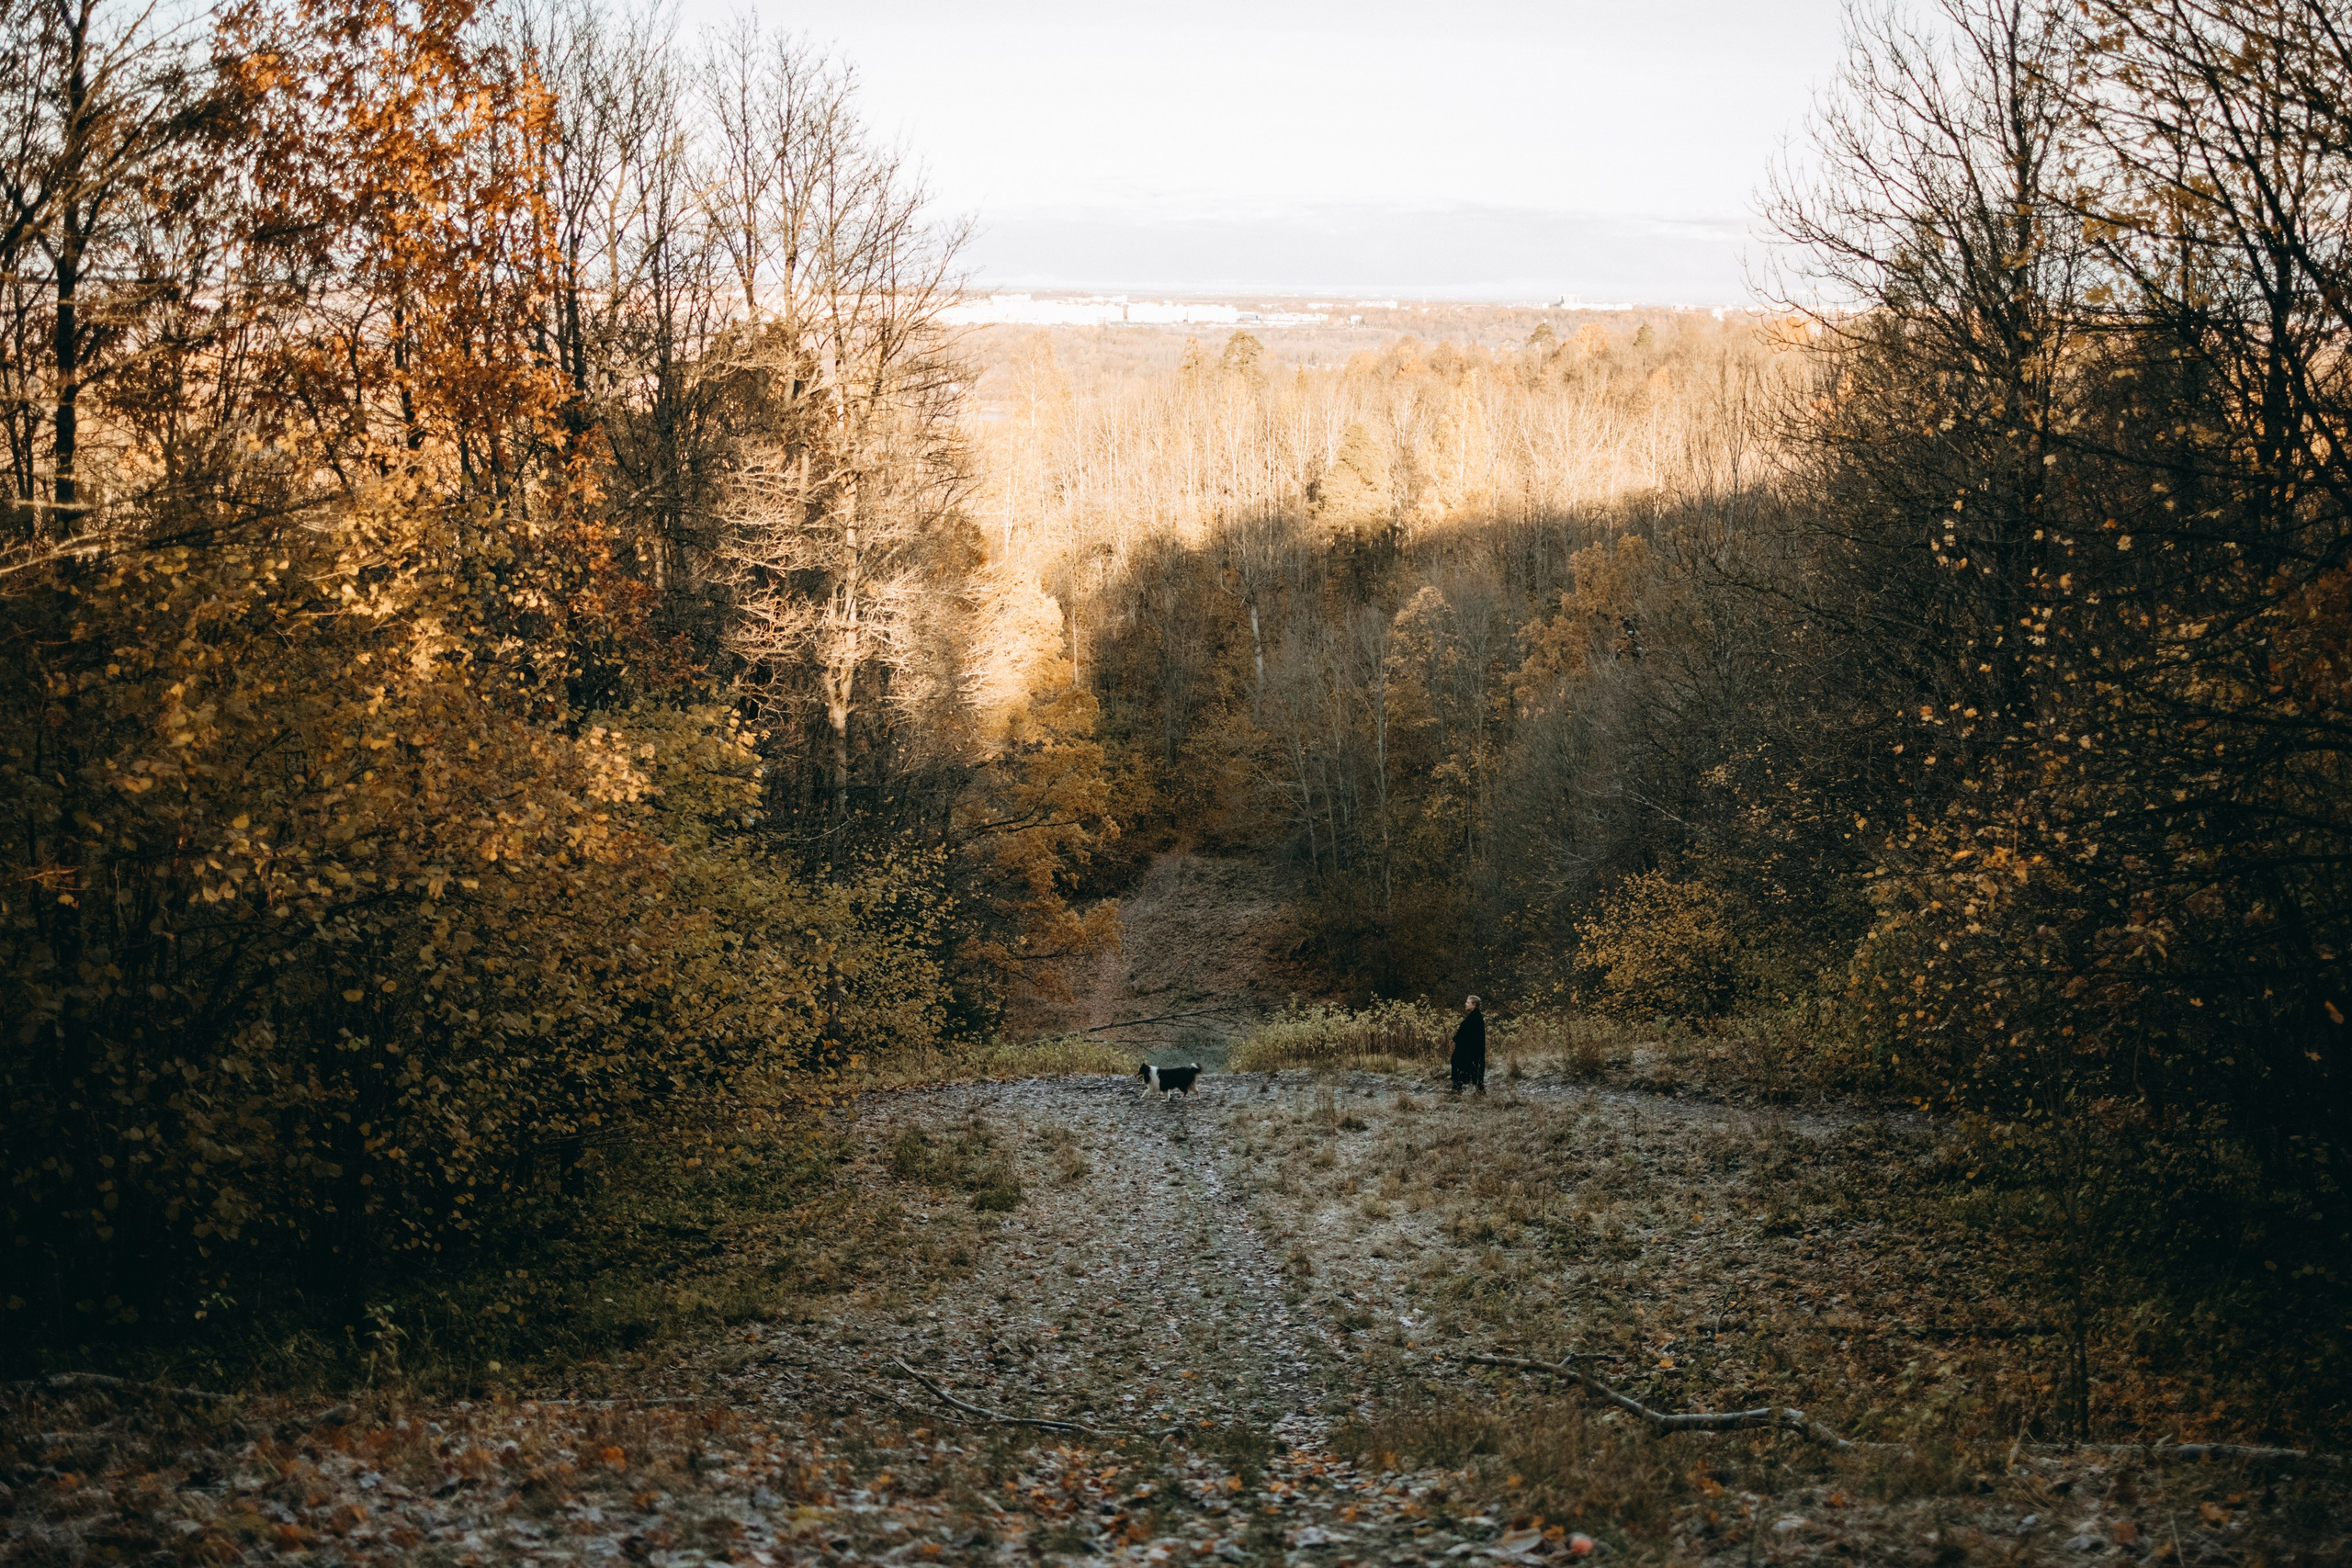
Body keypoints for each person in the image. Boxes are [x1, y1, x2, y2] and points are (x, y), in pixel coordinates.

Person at [1450, 994, 1487, 1094]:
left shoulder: (1475, 1018)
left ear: (1474, 1005)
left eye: (1468, 1002)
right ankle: (1459, 1087)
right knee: (1463, 1065)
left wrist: (1457, 1038)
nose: (1465, 1004)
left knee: (1462, 1064)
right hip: (1469, 1048)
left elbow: (1469, 1034)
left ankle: (1458, 1087)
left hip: (1470, 1049)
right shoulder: (1475, 1017)